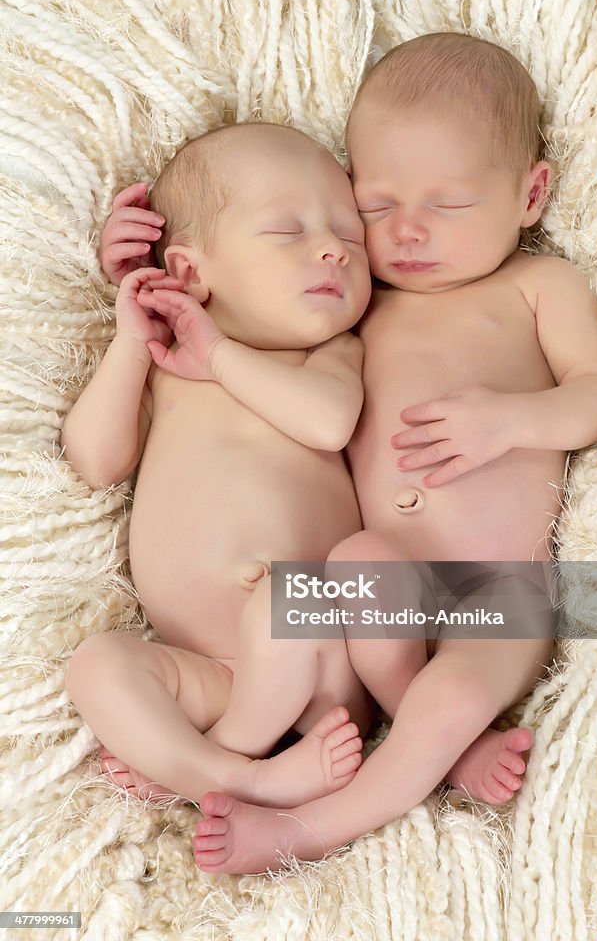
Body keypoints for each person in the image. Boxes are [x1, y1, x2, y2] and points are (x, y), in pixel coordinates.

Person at [182, 32, 597, 873]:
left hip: (500, 587)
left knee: (455, 687)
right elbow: (239, 294)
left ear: (530, 193)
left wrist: (511, 420)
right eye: (376, 207)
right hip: (392, 586)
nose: (408, 233)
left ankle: (308, 829)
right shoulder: (355, 301)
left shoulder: (538, 286)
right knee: (354, 559)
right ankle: (440, 744)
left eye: (448, 206)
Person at [63, 122, 377, 809]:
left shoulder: (328, 355)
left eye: (350, 236)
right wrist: (130, 339)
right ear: (187, 272)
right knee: (96, 664)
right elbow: (95, 459)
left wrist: (221, 358)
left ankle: (222, 760)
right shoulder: (163, 366)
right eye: (287, 231)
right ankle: (240, 776)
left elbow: (329, 421)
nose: (333, 249)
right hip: (210, 672)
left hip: (319, 659)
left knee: (286, 598)